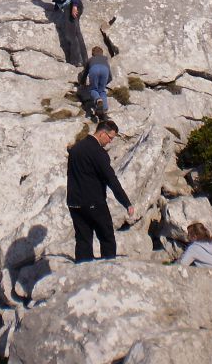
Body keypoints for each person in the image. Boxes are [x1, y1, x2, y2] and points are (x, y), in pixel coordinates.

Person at [66, 119, 134, 262]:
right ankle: (108, 270)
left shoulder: (76, 148)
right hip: (93, 202)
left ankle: (82, 272)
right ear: (102, 133)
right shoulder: (98, 152)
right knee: (107, 237)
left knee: (83, 239)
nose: (110, 142)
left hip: (74, 202)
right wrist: (126, 202)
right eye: (110, 138)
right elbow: (111, 179)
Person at [49, 0, 88, 67]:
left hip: (72, 5)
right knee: (76, 33)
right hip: (66, 6)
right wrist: (56, 7)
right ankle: (84, 60)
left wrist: (74, 6)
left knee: (70, 34)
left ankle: (76, 61)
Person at [79, 46, 113, 116]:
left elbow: (85, 73)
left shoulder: (90, 60)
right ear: (102, 53)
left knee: (93, 89)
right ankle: (105, 109)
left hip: (94, 69)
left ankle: (98, 99)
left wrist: (82, 83)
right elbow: (110, 76)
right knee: (102, 91)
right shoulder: (105, 60)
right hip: (105, 70)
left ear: (92, 53)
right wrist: (104, 84)